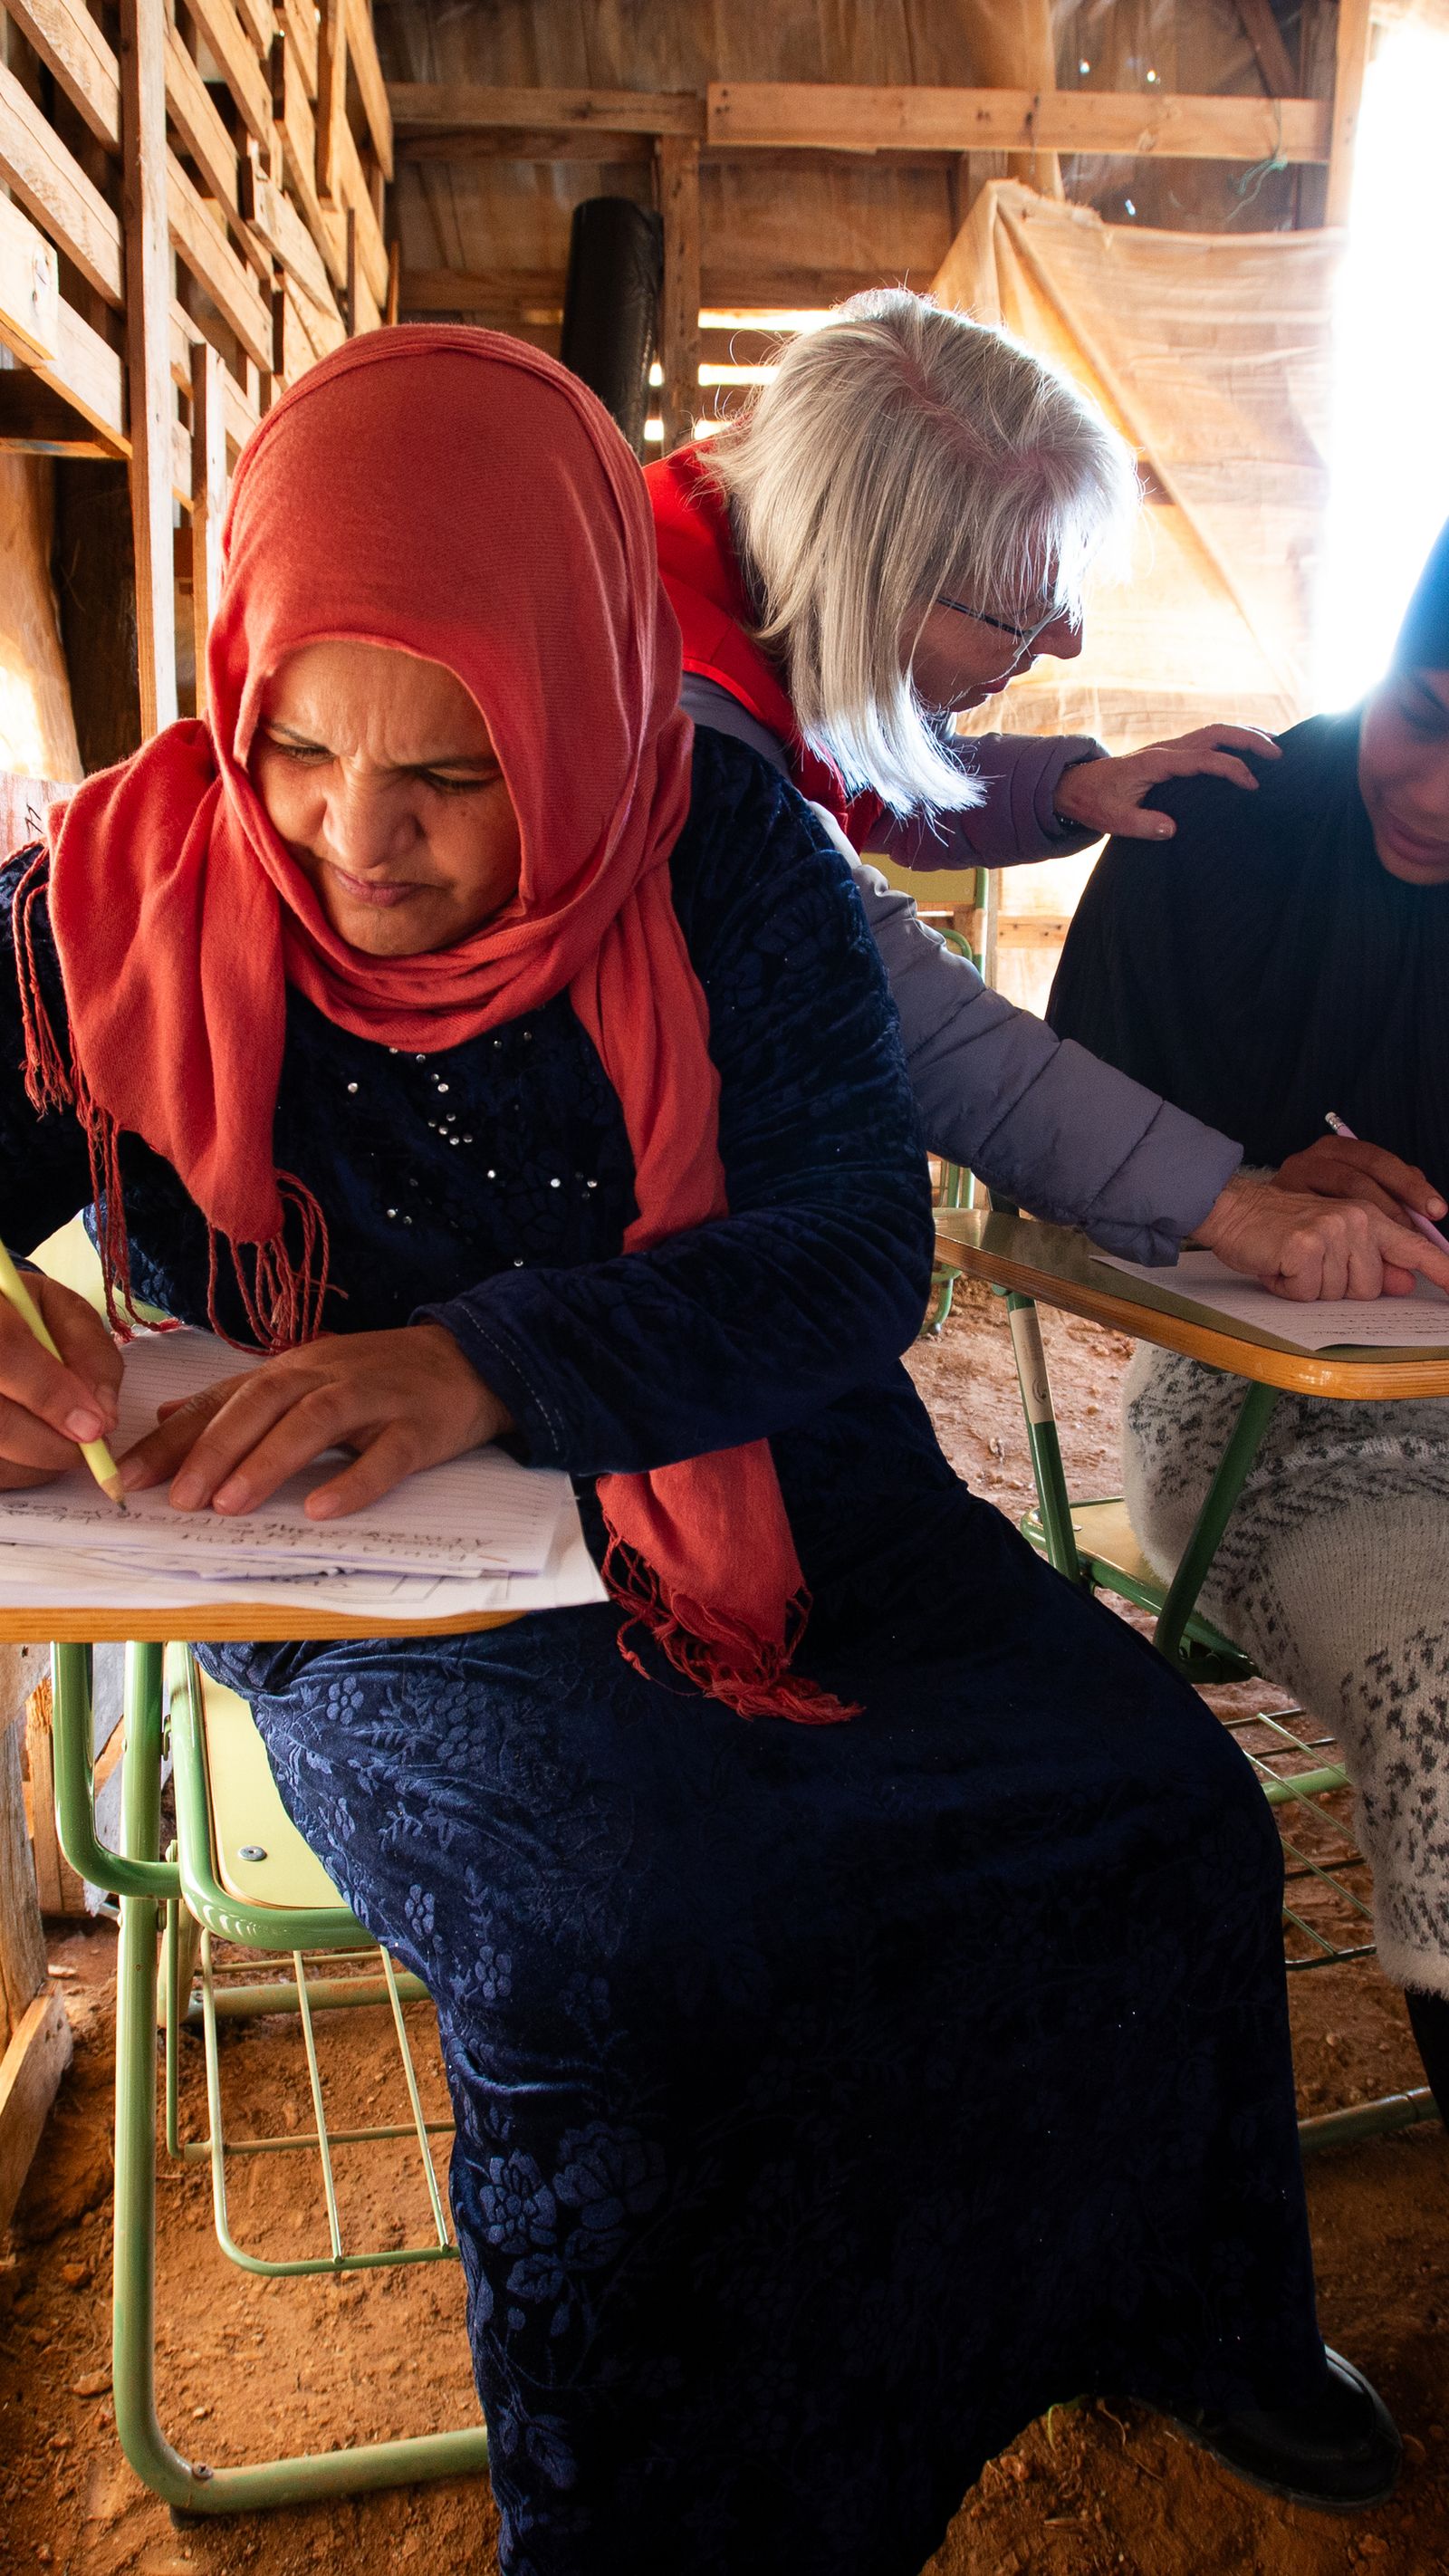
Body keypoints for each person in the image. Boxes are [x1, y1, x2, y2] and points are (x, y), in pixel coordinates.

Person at [0, 330, 1399, 2570]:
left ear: (577, 690)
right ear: (232, 685)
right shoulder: (101, 891)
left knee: (1153, 1802)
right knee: (633, 1946)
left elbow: (853, 1258)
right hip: (367, 1558)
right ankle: (648, 2519)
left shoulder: (719, 838)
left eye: (455, 771)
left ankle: (1183, 2304)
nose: (361, 845)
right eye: (294, 745)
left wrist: (477, 1357)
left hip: (776, 1473)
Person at [646, 285, 1442, 1296]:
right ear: (867, 585)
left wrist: (1064, 787)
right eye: (1018, 616)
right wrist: (1231, 1202)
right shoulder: (667, 715)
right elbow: (893, 999)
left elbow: (855, 771)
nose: (1061, 643)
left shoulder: (739, 545)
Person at [1049, 514, 1449, 2130]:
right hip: (1275, 1430)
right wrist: (1251, 1175)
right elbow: (1047, 1153)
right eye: (1425, 714)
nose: (1431, 795)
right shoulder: (1214, 831)